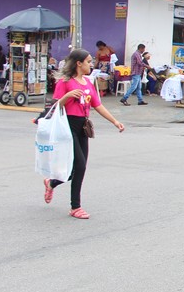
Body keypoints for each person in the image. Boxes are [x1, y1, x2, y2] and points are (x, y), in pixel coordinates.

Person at [44, 48, 125, 219]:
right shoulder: (65, 82)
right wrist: (67, 96)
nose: (91, 64)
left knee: (79, 168)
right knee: (78, 165)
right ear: (78, 64)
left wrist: (115, 121)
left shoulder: (88, 83)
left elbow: (98, 105)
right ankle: (75, 207)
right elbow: (54, 106)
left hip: (83, 126)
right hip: (68, 126)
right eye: (88, 61)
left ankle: (51, 183)